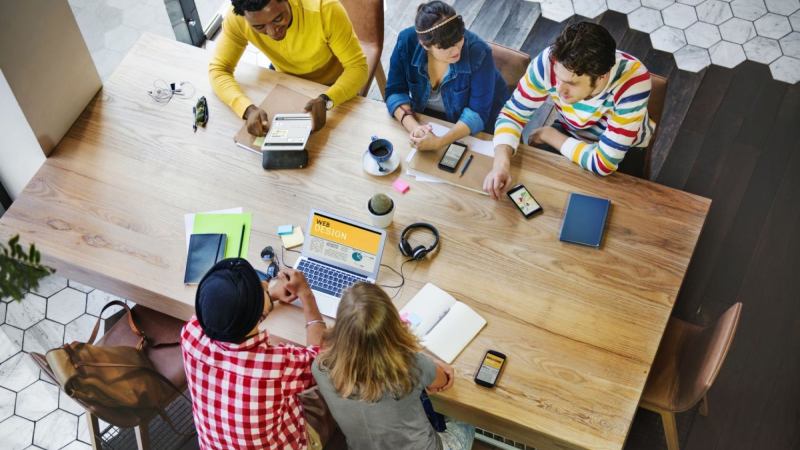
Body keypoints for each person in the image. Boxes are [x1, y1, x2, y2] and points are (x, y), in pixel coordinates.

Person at [484, 22, 654, 199]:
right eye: (558, 78)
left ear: (602, 76)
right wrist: (500, 165)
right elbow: (512, 114)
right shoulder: (549, 62)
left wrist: (549, 135)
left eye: (571, 84)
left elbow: (603, 164)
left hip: (625, 148)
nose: (559, 89)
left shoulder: (634, 81)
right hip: (572, 130)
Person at [181, 258, 327, 449]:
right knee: (330, 390)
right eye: (261, 286)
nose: (266, 283)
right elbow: (319, 360)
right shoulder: (275, 367)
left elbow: (230, 320)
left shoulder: (190, 334)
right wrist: (306, 295)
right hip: (290, 442)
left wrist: (267, 297)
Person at [312, 282, 475, 450]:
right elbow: (443, 381)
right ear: (393, 325)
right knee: (467, 417)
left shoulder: (320, 367)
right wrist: (431, 363)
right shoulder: (411, 365)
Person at [210, 0, 369, 136]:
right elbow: (219, 70)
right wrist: (247, 109)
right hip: (286, 83)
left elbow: (358, 68)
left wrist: (327, 100)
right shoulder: (238, 18)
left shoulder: (325, 9)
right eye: (259, 27)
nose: (272, 33)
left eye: (278, 18)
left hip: (333, 85)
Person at [385, 1, 508, 151]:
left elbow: (477, 114)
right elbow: (395, 91)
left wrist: (439, 142)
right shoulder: (406, 41)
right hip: (428, 120)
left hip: (479, 128)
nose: (456, 50)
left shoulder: (480, 53)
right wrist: (415, 128)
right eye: (445, 47)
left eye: (459, 39)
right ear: (424, 45)